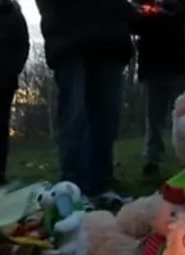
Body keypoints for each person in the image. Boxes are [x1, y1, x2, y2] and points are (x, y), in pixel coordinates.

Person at [35, 0, 134, 205]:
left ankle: (101, 185)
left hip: (110, 39)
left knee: (106, 118)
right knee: (74, 116)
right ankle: (72, 189)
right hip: (69, 37)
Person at [132, 1, 185, 176]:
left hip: (179, 63)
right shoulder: (144, 5)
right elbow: (134, 24)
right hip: (153, 64)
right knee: (154, 116)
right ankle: (152, 158)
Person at [0, 0, 30, 187]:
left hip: (7, 80)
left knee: (2, 126)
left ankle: (0, 173)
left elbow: (23, 45)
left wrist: (14, 69)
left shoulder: (16, 17)